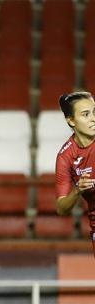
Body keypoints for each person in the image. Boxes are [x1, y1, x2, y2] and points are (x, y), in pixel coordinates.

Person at [56, 92, 95, 253]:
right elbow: (61, 208)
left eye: (94, 112)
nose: (93, 118)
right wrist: (78, 189)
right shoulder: (66, 157)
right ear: (71, 120)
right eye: (86, 114)